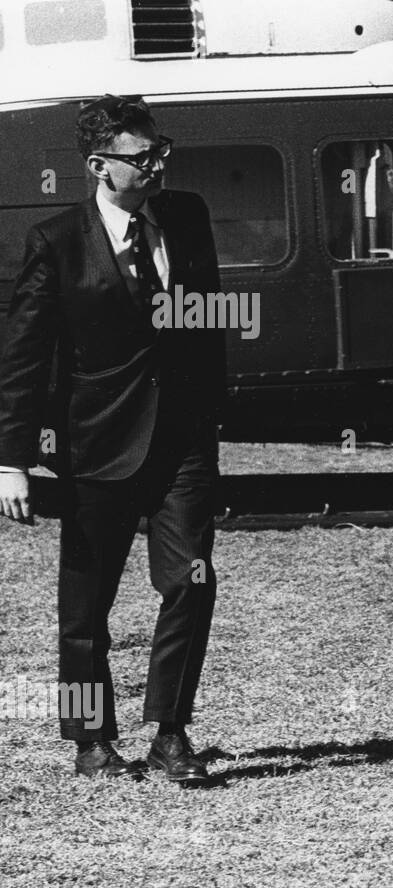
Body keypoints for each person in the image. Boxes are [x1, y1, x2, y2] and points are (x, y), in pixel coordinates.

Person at [0, 95, 226, 783]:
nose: (158, 164)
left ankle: (172, 733)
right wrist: (10, 459)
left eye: (162, 151)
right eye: (142, 157)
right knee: (84, 608)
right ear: (100, 166)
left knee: (192, 582)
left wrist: (212, 412)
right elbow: (23, 357)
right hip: (94, 447)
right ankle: (89, 741)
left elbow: (207, 316)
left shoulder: (186, 216)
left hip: (181, 445)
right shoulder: (57, 242)